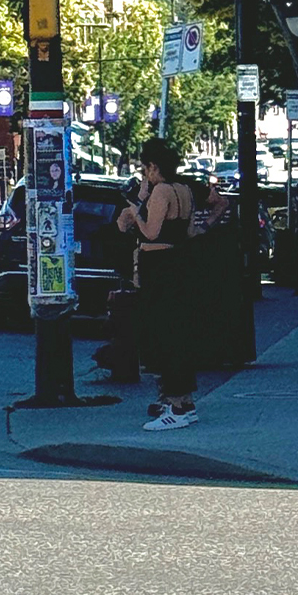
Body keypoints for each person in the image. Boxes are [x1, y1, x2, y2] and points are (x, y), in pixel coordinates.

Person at [117, 138, 199, 431]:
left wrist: (135, 210)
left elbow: (150, 232)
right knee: (179, 331)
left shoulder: (162, 191)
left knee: (164, 333)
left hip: (159, 266)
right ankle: (185, 401)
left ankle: (175, 405)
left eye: (145, 168)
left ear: (154, 166)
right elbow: (189, 231)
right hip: (179, 264)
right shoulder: (184, 191)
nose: (145, 174)